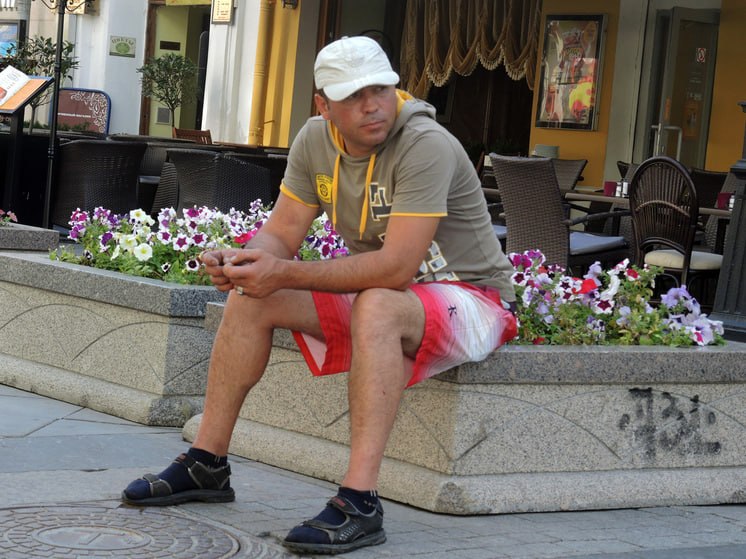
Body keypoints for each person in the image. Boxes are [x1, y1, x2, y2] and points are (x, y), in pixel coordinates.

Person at [122, 35, 517, 555]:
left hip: (474, 299)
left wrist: (283, 272)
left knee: (377, 303)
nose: (372, 106)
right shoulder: (315, 139)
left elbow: (396, 267)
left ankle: (360, 502)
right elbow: (282, 232)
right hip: (395, 297)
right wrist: (248, 262)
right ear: (324, 105)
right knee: (254, 295)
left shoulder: (425, 143)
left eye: (380, 89)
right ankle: (206, 462)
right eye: (353, 96)